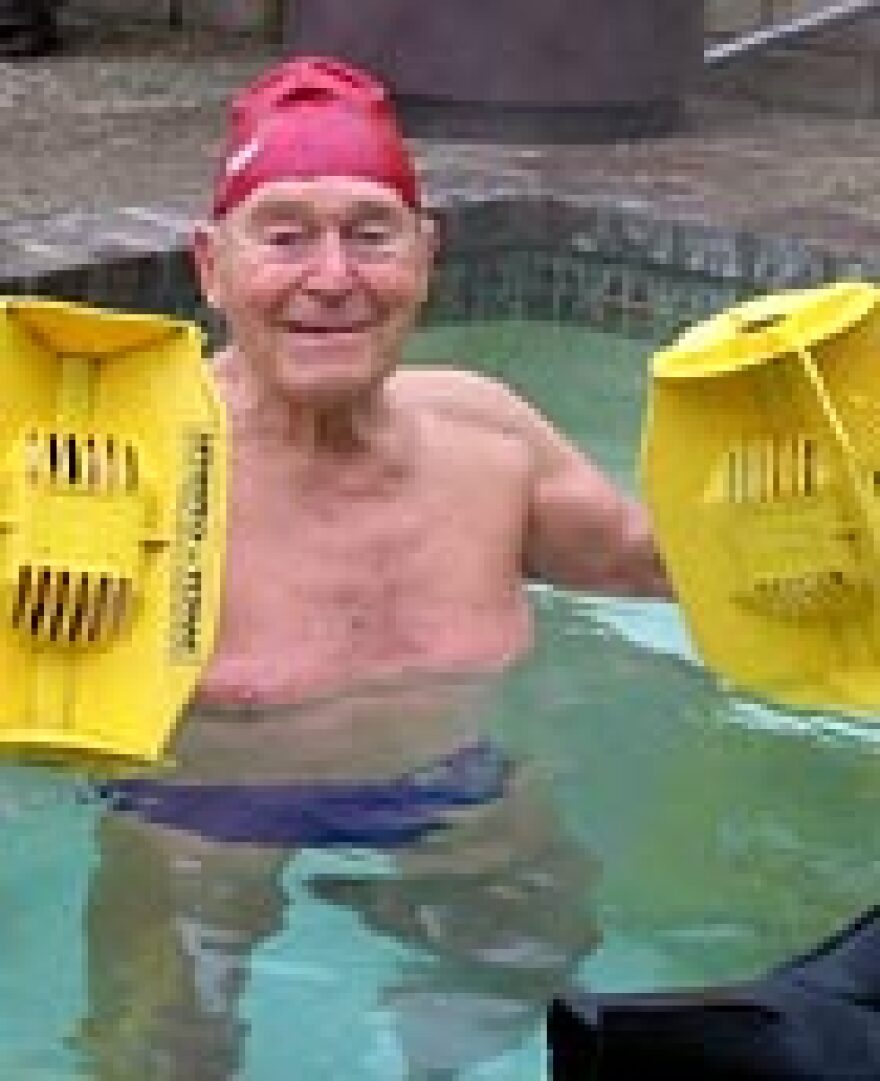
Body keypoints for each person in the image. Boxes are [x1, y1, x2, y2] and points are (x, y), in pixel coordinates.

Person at [76, 54, 668, 1079]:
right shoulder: (113, 463)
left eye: (369, 232)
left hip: (451, 788)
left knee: (528, 972)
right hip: (194, 814)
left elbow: (656, 567)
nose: (333, 278)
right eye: (287, 235)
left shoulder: (487, 437)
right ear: (212, 266)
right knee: (158, 1049)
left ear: (426, 255)